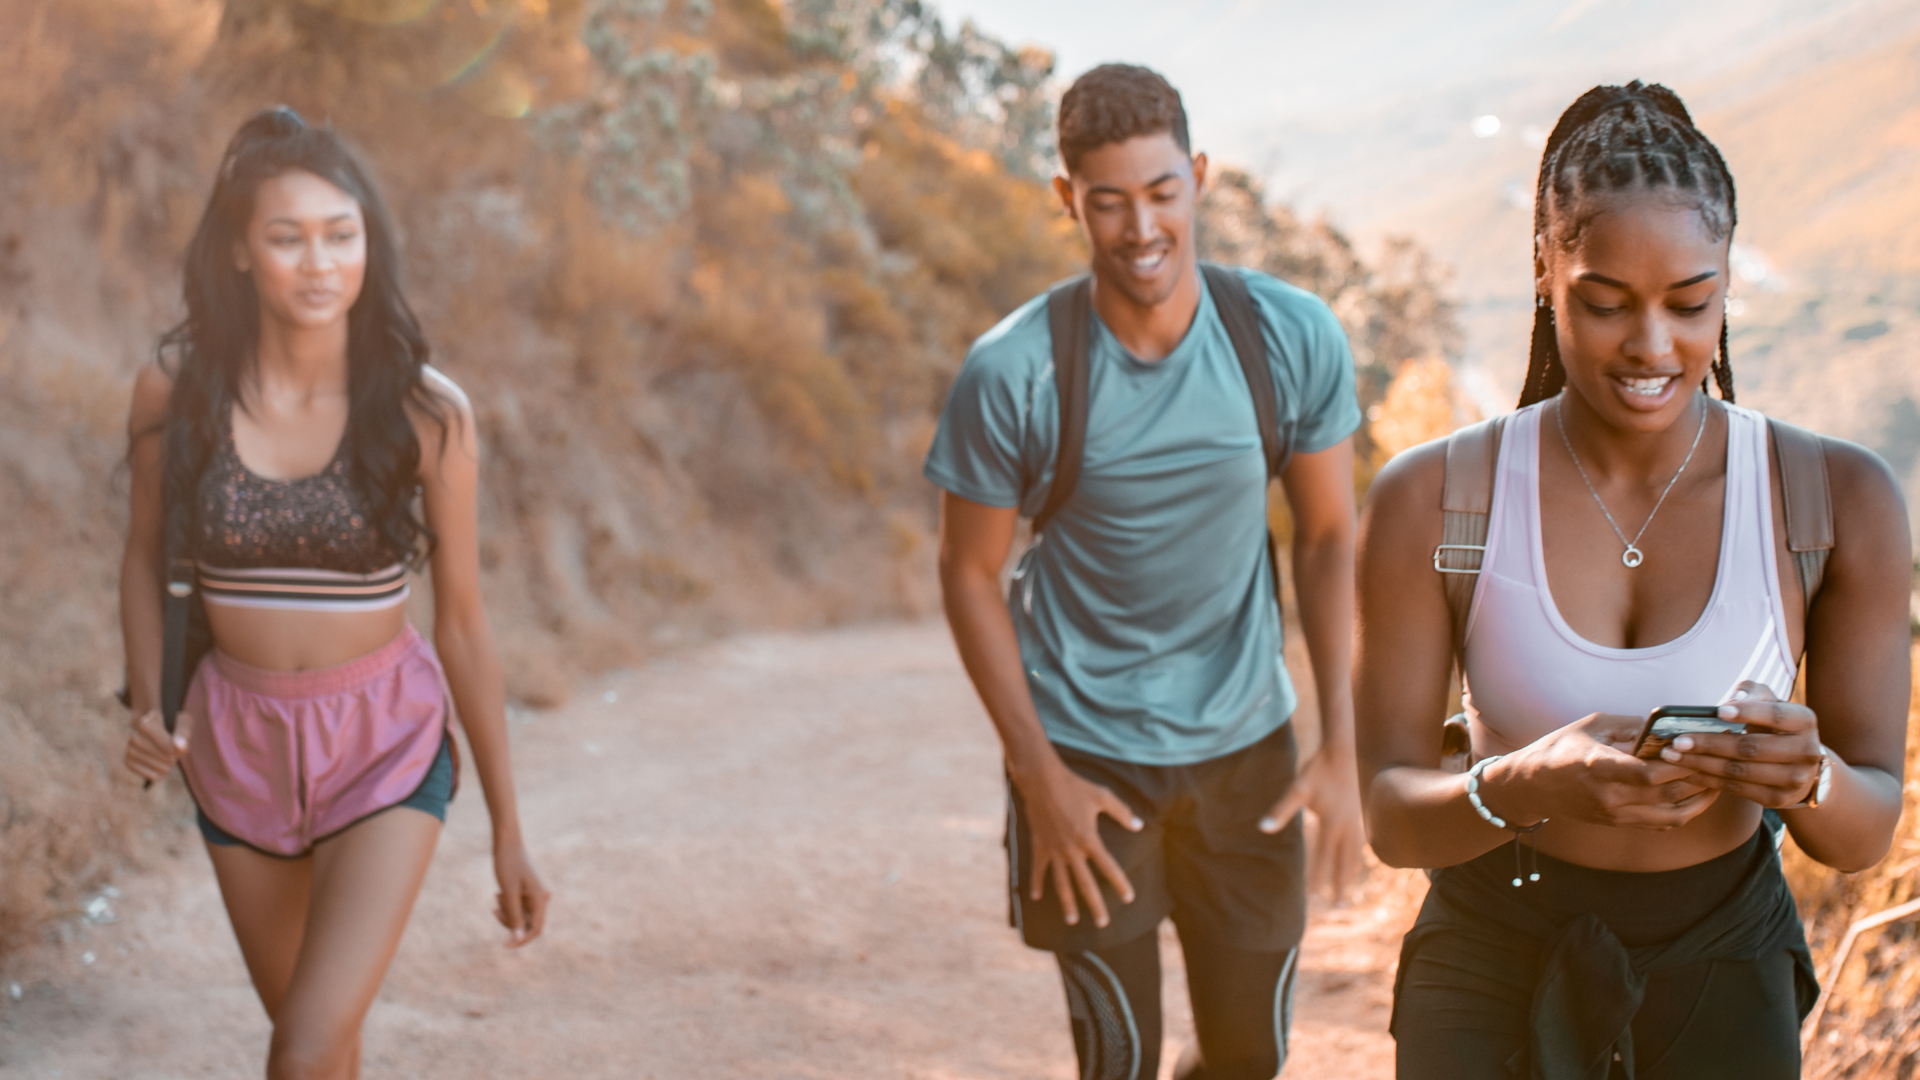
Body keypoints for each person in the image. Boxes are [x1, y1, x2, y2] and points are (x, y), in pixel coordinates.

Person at [1356, 82, 1910, 1078]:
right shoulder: (1435, 500)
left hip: (1723, 967)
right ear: (1543, 271)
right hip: (1489, 961)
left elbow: (1864, 828)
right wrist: (1519, 783)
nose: (1653, 347)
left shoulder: (1834, 501)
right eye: (1605, 304)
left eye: (1692, 303)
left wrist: (1806, 778)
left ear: (1728, 279)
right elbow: (1393, 818)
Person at [926, 64, 1364, 1080]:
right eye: (1109, 201)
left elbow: (1330, 535)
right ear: (1066, 198)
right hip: (1087, 758)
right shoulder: (1016, 371)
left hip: (1248, 747)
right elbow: (966, 575)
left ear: (1199, 178)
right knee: (1117, 1058)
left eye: (1163, 193)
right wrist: (1038, 775)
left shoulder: (1287, 339)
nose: (1141, 228)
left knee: (1251, 1057)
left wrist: (1338, 743)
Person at [120, 108, 549, 1079]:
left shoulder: (427, 411)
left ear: (369, 243)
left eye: (340, 234)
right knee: (325, 1049)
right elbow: (143, 558)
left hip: (385, 747)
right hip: (235, 744)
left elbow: (468, 631)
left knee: (301, 1048)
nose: (318, 262)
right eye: (287, 237)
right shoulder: (175, 388)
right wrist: (149, 699)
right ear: (240, 249)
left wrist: (509, 832)